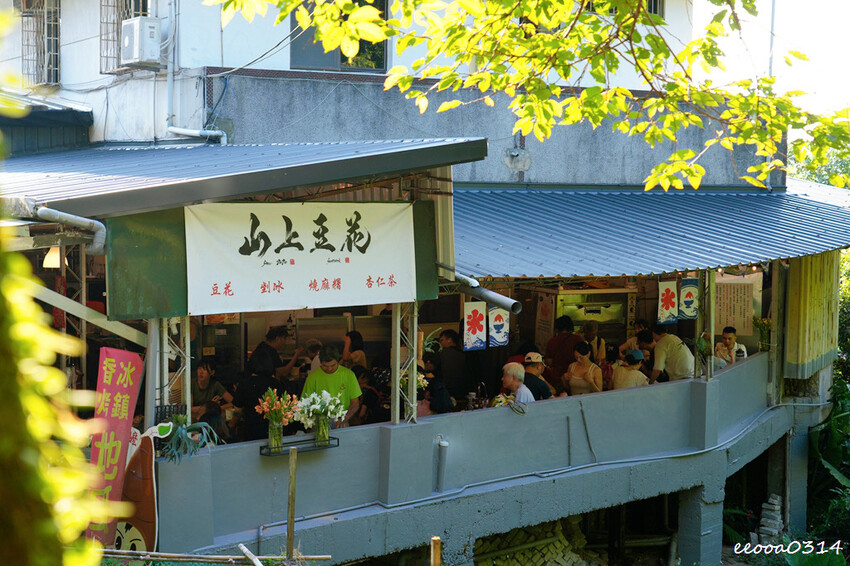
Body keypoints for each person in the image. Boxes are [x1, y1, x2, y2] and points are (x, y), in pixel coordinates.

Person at [302, 345, 362, 427]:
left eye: (333, 365)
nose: (329, 369)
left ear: (338, 361)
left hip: (342, 419)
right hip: (320, 421)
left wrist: (344, 418)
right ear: (320, 362)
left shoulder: (348, 375)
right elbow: (306, 404)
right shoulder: (312, 377)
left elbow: (355, 403)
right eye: (325, 366)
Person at [544, 316, 583, 395]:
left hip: (557, 380)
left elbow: (549, 362)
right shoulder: (578, 339)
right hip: (574, 379)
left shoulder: (552, 341)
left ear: (557, 328)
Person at [438, 329, 470, 402]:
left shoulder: (443, 354)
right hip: (462, 390)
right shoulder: (464, 354)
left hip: (447, 391)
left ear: (449, 340)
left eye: (441, 340)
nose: (440, 343)